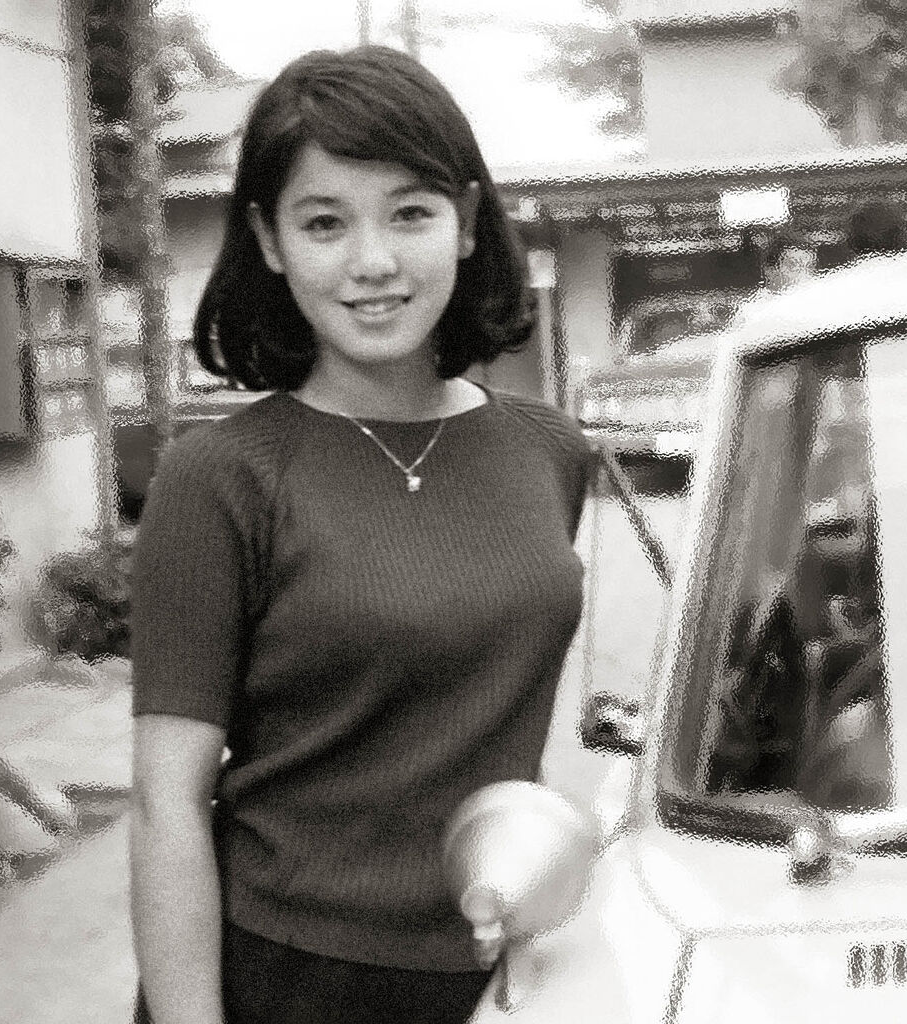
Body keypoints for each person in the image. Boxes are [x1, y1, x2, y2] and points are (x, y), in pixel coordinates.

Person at [129, 45, 596, 1024]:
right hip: (286, 979)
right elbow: (166, 803)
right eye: (324, 223)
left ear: (467, 221)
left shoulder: (549, 452)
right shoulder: (220, 477)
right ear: (269, 240)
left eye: (409, 213)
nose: (372, 262)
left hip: (502, 965)